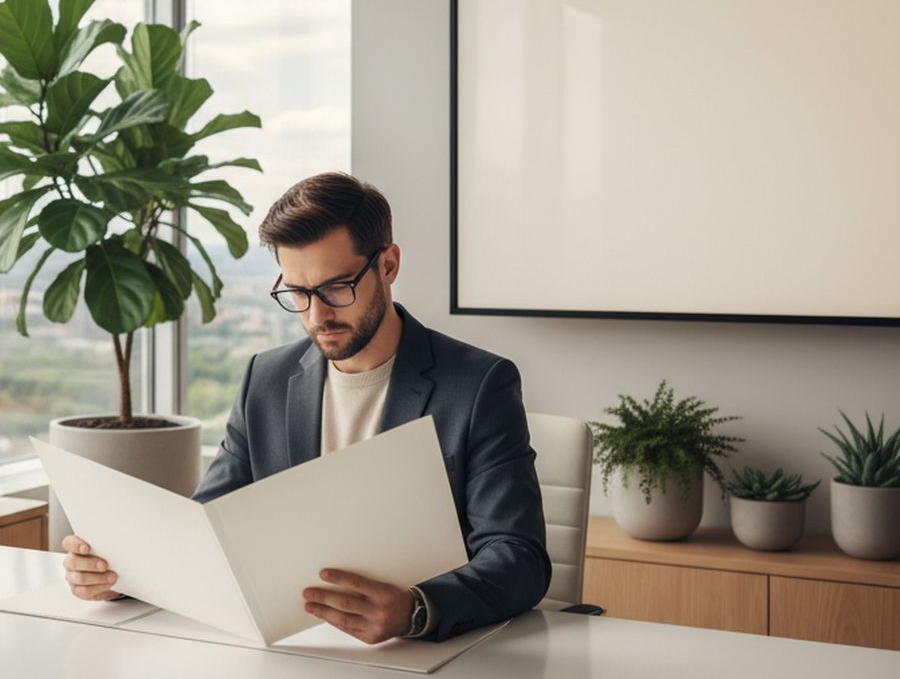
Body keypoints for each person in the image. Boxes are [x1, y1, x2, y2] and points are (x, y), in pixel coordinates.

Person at [61, 172, 550, 644]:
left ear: (388, 265)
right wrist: (123, 573)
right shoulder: (266, 380)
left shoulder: (479, 384)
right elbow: (207, 526)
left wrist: (416, 608)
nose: (317, 316)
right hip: (297, 648)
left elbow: (519, 556)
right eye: (297, 292)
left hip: (427, 654)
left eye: (337, 288)